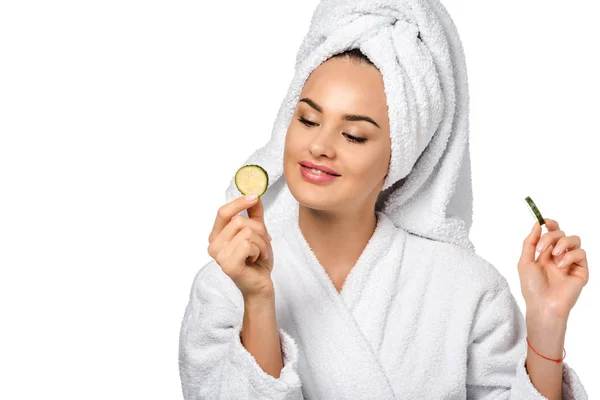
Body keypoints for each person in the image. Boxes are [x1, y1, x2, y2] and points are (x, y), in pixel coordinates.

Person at [179, 1, 590, 399]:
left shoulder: (467, 289)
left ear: (401, 158)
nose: (320, 145)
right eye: (307, 119)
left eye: (354, 134)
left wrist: (548, 321)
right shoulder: (223, 286)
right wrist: (258, 300)